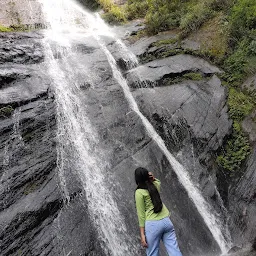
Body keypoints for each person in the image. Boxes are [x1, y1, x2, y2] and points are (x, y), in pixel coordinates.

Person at [134, 167, 183, 256]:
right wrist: (153, 178)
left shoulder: (139, 192)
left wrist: (142, 234)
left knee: (152, 253)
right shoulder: (155, 185)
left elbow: (141, 215)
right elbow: (157, 182)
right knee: (174, 251)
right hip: (166, 221)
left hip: (152, 225)